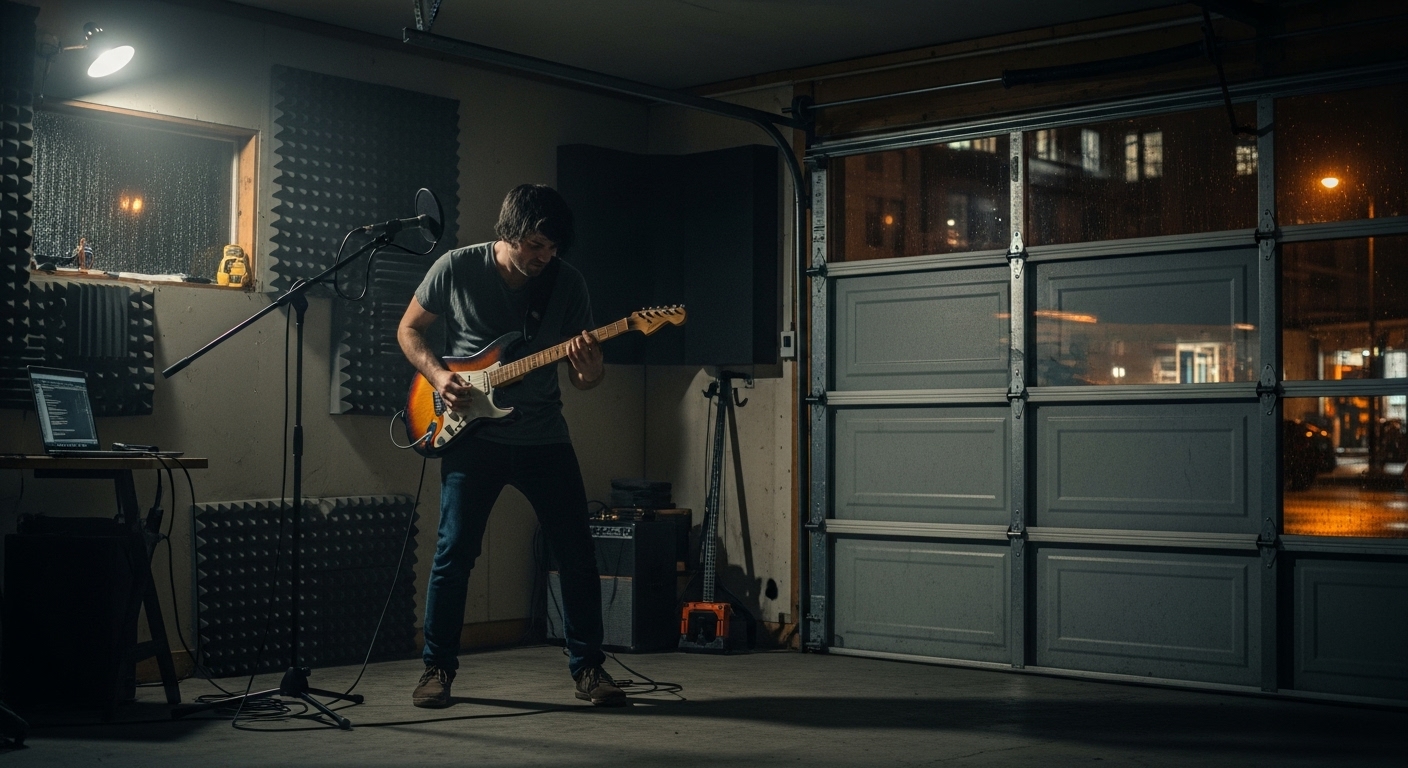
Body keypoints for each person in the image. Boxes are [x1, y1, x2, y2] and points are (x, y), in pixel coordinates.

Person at [397, 184, 625, 708]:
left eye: (553, 249)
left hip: (544, 434)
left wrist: (591, 370)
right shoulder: (456, 268)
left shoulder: (568, 285)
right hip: (468, 434)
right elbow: (410, 330)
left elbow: (583, 381)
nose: (545, 257)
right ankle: (436, 668)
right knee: (455, 553)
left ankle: (589, 668)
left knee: (577, 552)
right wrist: (437, 376)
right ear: (510, 233)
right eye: (536, 245)